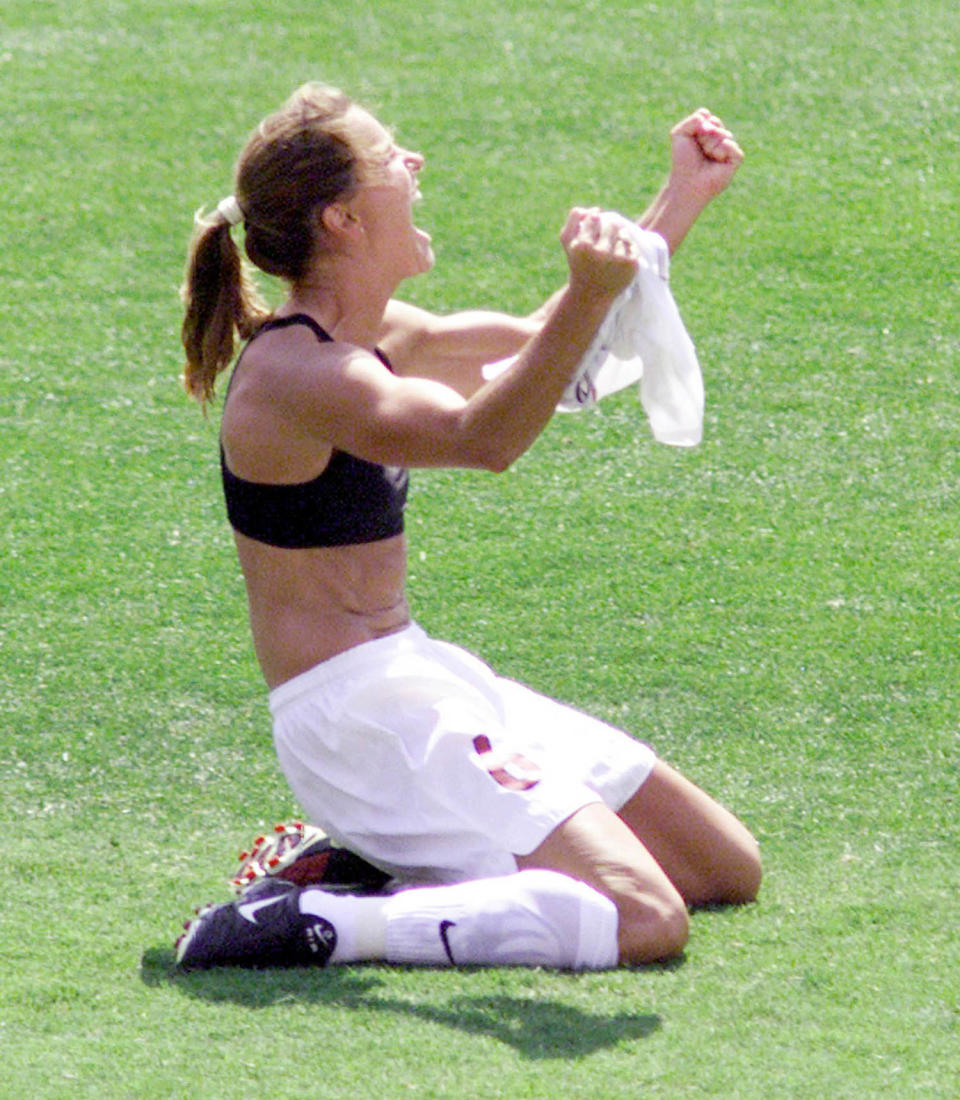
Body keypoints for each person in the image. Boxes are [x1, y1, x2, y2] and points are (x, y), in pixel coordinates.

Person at [175, 82, 761, 972]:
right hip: (364, 721)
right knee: (645, 918)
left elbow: (543, 345)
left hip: (422, 677)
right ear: (340, 218)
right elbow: (482, 438)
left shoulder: (381, 333)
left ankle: (375, 864)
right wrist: (586, 290)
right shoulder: (300, 374)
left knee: (721, 867)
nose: (413, 165)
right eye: (389, 157)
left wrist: (678, 198)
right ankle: (323, 921)